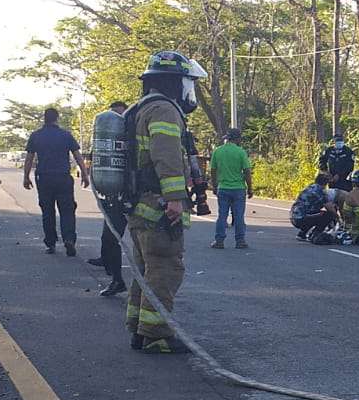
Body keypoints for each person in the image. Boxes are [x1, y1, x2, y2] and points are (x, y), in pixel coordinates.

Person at [124, 50, 207, 354]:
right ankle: (156, 335)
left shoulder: (140, 109)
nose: (190, 91)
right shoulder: (164, 111)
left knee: (146, 269)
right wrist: (174, 198)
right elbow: (167, 156)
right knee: (165, 268)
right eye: (188, 83)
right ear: (175, 82)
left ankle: (138, 328)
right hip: (159, 207)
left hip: (140, 207)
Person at [23, 107, 90, 256]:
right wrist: (85, 174)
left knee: (47, 211)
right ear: (57, 118)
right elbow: (78, 156)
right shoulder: (65, 135)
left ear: (44, 118)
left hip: (44, 178)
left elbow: (29, 158)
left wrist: (26, 176)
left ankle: (51, 243)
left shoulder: (36, 136)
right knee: (67, 210)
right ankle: (69, 239)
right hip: (63, 177)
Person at [87, 101, 130, 296]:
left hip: (135, 194)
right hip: (115, 195)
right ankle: (117, 279)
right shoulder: (108, 133)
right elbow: (95, 156)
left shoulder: (133, 130)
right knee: (109, 239)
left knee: (141, 245)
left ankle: (139, 285)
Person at [208, 128, 253, 250]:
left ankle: (219, 241)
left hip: (223, 188)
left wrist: (214, 185)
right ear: (237, 139)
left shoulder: (218, 151)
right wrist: (250, 188)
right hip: (238, 189)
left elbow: (213, 170)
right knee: (239, 216)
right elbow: (247, 171)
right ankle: (240, 241)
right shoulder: (240, 152)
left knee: (222, 215)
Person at [290, 173, 339, 241]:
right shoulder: (319, 191)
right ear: (325, 183)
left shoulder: (310, 187)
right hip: (302, 218)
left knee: (314, 214)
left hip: (294, 216)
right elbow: (329, 207)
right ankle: (315, 234)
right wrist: (338, 218)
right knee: (329, 215)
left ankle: (302, 234)